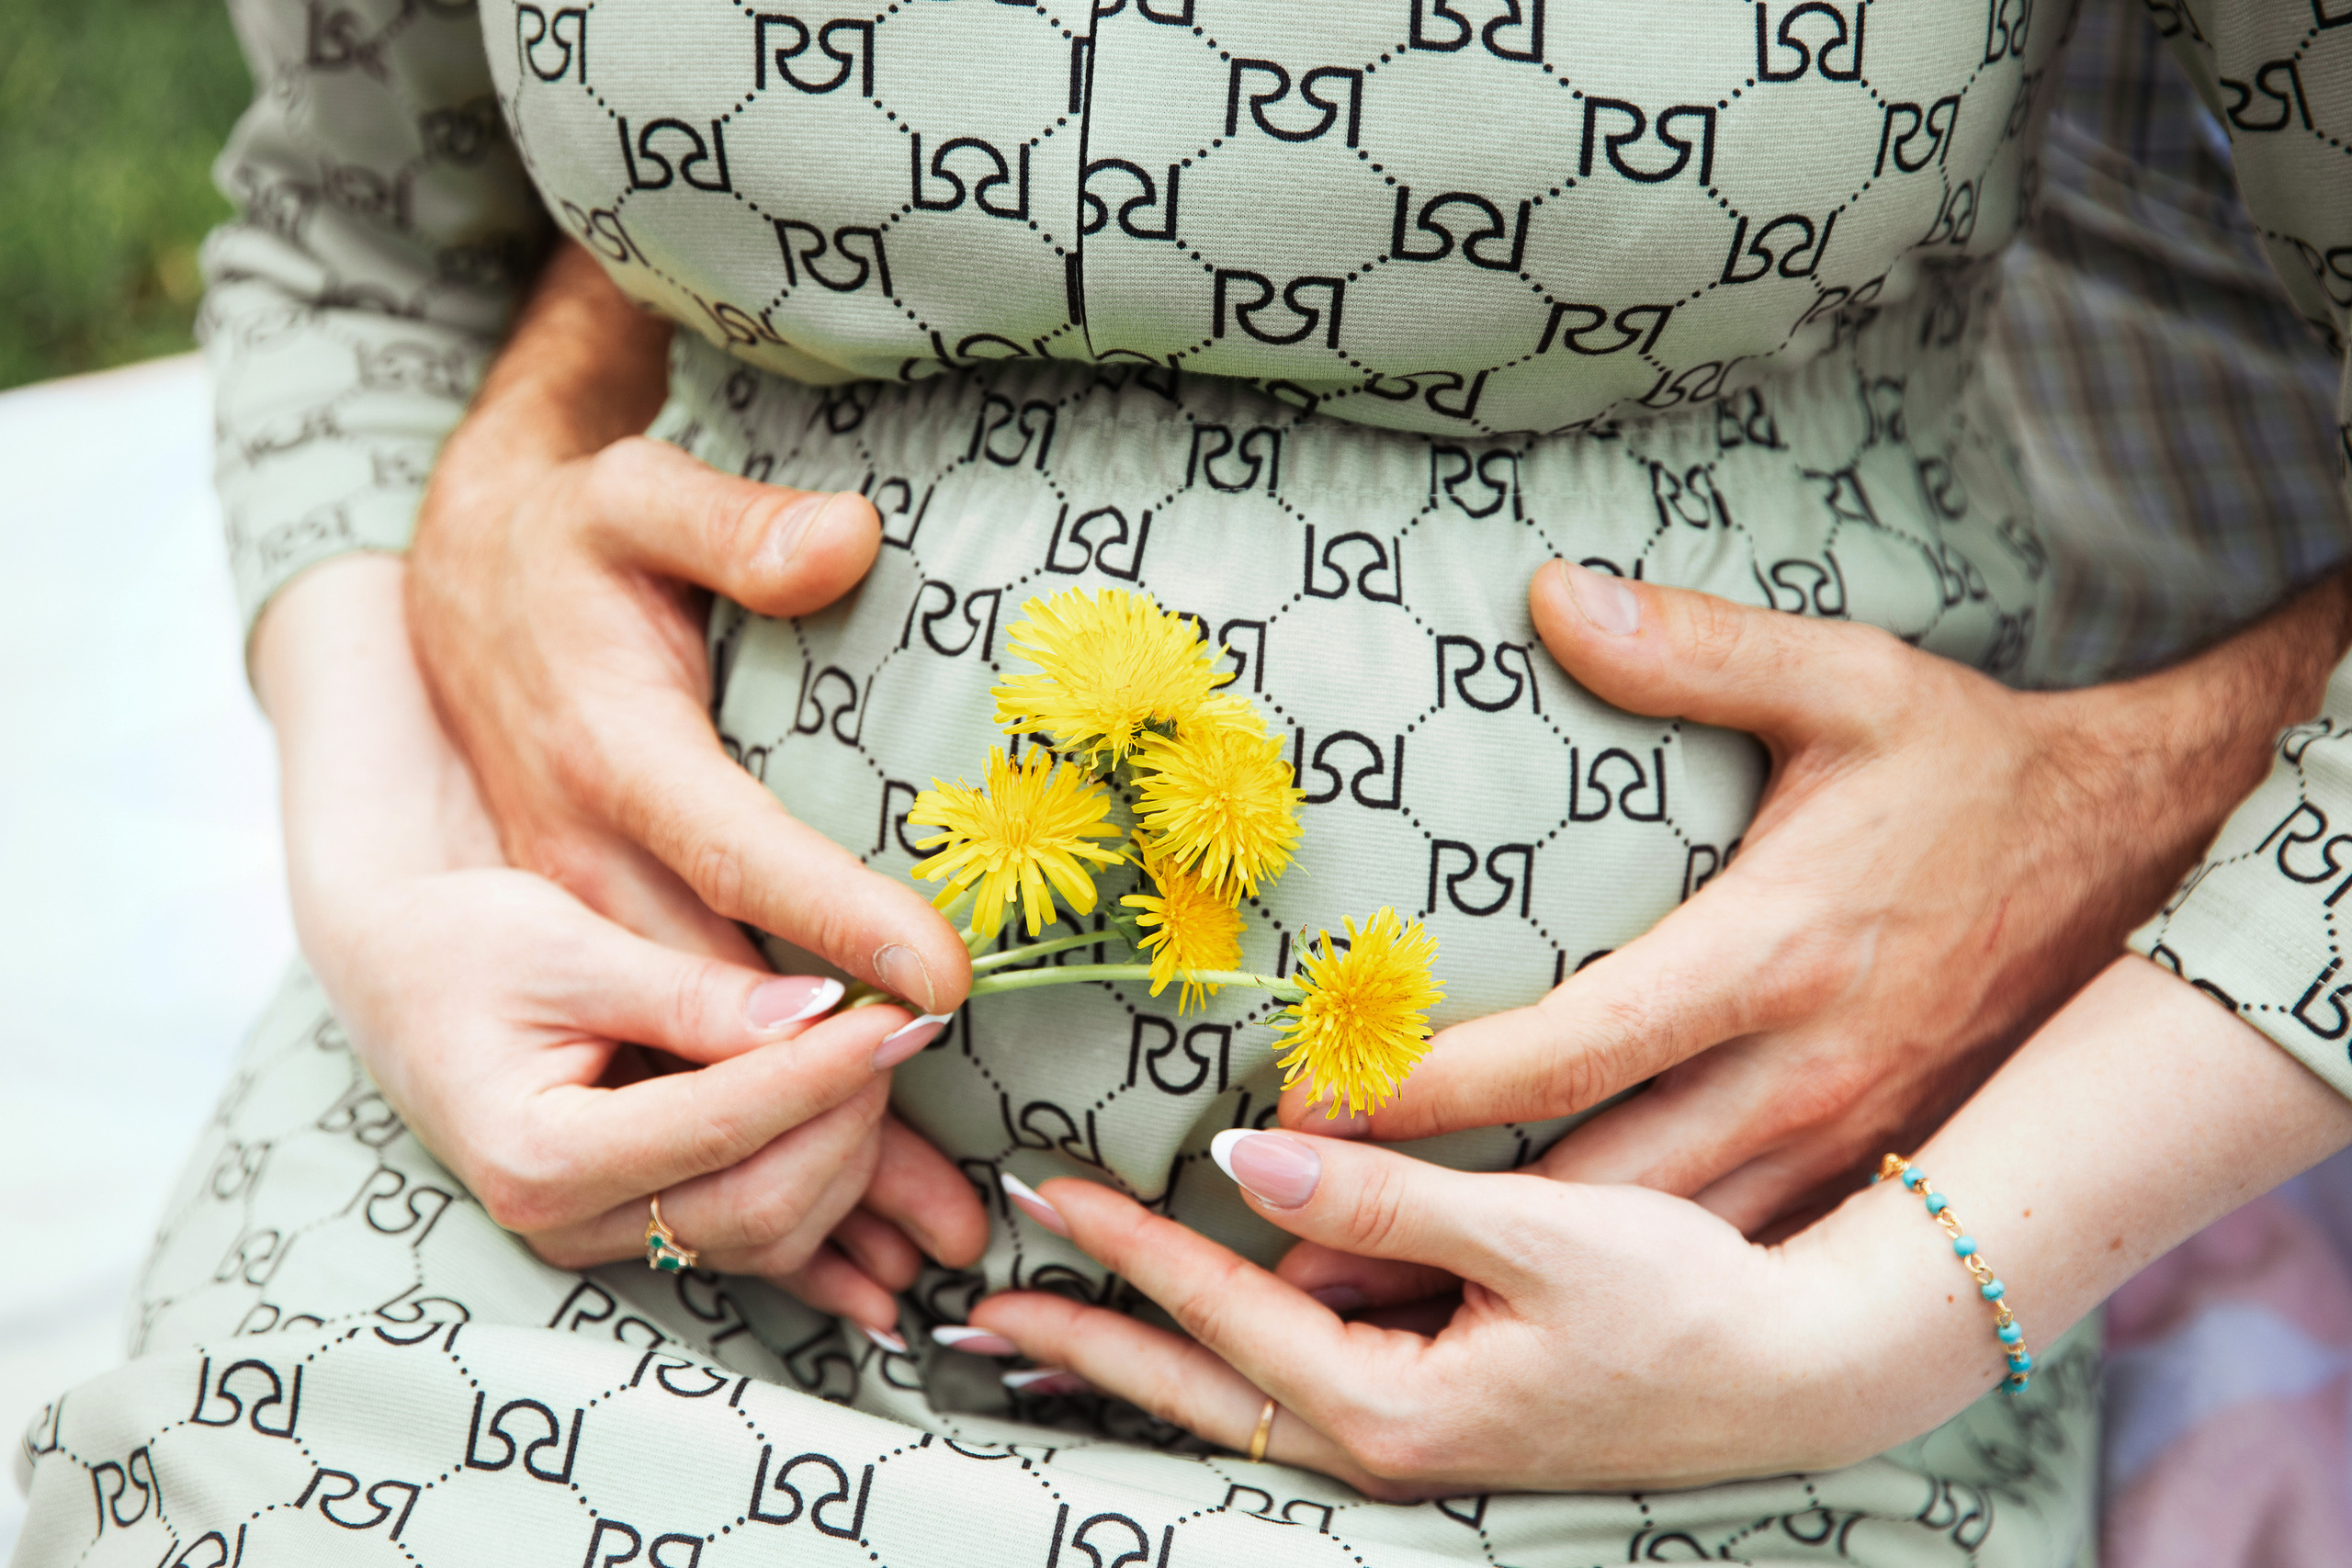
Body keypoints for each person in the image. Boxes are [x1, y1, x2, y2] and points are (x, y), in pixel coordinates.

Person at [13, 2, 2352, 1566]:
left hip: (1647, 1402)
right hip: (538, 1290)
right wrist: (390, 881)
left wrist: (1898, 1309)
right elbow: (352, 231)